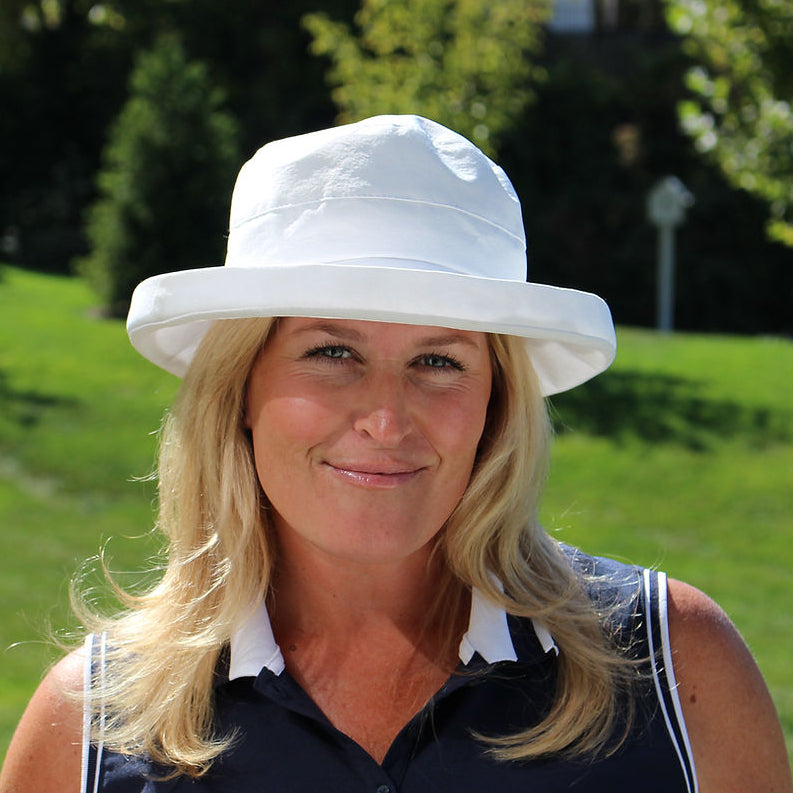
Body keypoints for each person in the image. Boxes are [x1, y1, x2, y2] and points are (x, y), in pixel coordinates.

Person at [1, 115, 790, 793]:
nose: (385, 417)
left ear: (496, 404)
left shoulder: (675, 668)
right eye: (332, 350)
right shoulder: (91, 725)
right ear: (238, 388)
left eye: (438, 361)